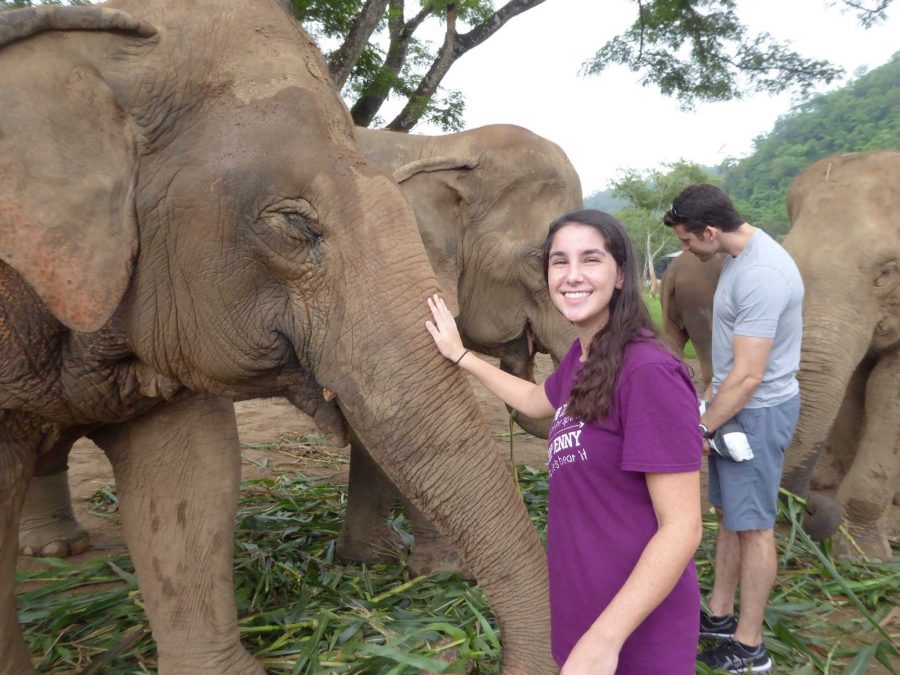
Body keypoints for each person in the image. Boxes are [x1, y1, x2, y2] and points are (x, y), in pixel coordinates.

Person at [426, 210, 702, 674]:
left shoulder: (649, 373)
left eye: (590, 259)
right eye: (559, 262)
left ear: (619, 275)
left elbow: (682, 528)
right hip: (583, 603)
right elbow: (537, 400)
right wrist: (462, 356)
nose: (572, 276)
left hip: (636, 626)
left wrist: (605, 640)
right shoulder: (585, 355)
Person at [664, 184, 803, 674]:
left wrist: (702, 427)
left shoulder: (762, 273)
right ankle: (721, 613)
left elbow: (748, 375)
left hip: (755, 414)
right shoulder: (737, 259)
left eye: (686, 241)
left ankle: (749, 646)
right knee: (729, 514)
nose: (686, 250)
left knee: (756, 527)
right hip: (732, 409)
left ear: (710, 230)